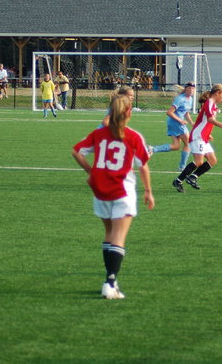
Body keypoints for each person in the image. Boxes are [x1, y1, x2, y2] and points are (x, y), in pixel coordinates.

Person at [71, 95, 154, 299]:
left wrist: (90, 171)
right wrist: (148, 191)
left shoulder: (99, 133)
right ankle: (110, 282)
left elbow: (77, 152)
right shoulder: (133, 136)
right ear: (128, 112)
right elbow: (143, 165)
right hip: (122, 190)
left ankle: (111, 280)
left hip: (100, 190)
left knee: (109, 233)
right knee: (118, 235)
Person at [172, 84, 222, 192]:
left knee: (212, 160)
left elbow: (204, 122)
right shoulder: (209, 102)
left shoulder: (213, 104)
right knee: (198, 161)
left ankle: (193, 177)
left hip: (203, 137)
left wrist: (208, 134)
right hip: (197, 136)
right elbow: (210, 119)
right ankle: (178, 180)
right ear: (217, 93)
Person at [149, 82, 195, 171]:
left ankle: (153, 149)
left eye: (193, 88)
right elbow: (169, 112)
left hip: (175, 123)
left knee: (176, 146)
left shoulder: (190, 99)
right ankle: (182, 167)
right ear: (186, 89)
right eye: (189, 88)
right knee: (188, 143)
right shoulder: (180, 99)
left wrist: (192, 123)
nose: (191, 90)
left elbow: (186, 113)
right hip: (176, 122)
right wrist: (180, 120)